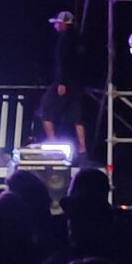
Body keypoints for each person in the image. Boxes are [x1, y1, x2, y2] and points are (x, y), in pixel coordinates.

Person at [39, 11, 87, 159]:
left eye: (58, 23)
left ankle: (53, 143)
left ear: (65, 24)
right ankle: (82, 148)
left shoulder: (65, 40)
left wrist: (62, 82)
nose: (56, 26)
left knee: (45, 108)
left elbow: (64, 63)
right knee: (77, 115)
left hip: (64, 82)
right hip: (76, 83)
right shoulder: (78, 39)